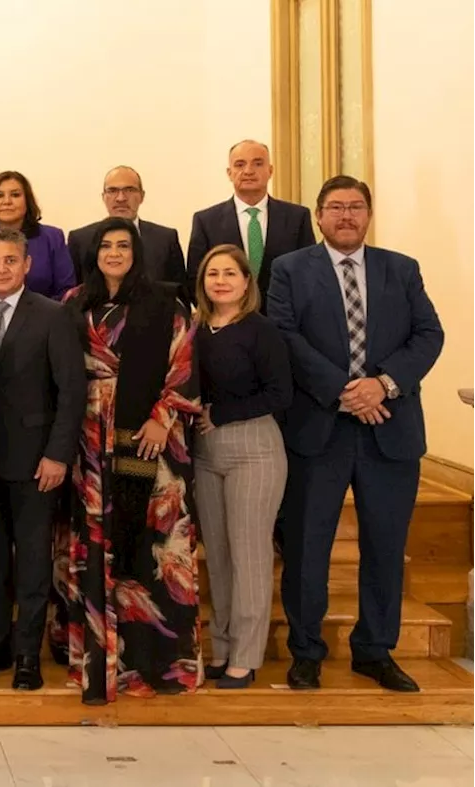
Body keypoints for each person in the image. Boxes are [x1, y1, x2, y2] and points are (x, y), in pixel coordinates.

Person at [269, 175, 443, 693]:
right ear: (318, 216)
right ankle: (306, 651)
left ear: (368, 215)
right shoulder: (290, 270)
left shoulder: (401, 268)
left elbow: (429, 334)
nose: (346, 216)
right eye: (336, 207)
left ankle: (375, 650)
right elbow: (284, 334)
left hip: (391, 431)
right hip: (319, 430)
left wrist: (382, 385)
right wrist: (347, 390)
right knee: (306, 547)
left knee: (385, 546)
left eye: (356, 207)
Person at [60, 216, 200, 705]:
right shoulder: (74, 303)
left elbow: (184, 362)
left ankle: (153, 661)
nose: (115, 252)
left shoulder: (166, 304)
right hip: (90, 442)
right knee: (97, 540)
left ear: (137, 253)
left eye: (124, 245)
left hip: (145, 441)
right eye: (106, 245)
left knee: (147, 540)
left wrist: (162, 417)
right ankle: (99, 662)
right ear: (93, 253)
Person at [0, 227, 87, 691]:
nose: (2, 269)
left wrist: (57, 454)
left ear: (27, 265)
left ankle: (28, 654)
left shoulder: (53, 316)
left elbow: (72, 392)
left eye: (11, 260)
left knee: (32, 563)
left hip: (35, 463)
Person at [192, 244, 292, 689]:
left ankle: (246, 657)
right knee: (218, 557)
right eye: (212, 273)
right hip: (205, 452)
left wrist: (222, 414)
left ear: (247, 282)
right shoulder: (194, 330)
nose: (220, 281)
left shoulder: (260, 330)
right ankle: (222, 649)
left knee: (250, 556)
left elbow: (280, 393)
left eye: (230, 273)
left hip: (254, 446)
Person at [186, 140, 316, 305]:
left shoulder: (297, 217)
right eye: (240, 165)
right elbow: (195, 279)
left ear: (270, 170)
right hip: (227, 322)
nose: (248, 171)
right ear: (229, 173)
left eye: (258, 163)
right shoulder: (206, 221)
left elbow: (307, 273)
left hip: (283, 321)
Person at [0, 170, 74, 300]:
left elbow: (66, 291)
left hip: (42, 317)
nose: (7, 201)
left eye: (15, 195)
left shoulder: (52, 237)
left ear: (27, 201)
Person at [66, 166, 186, 292]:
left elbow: (180, 293)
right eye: (112, 191)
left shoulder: (165, 239)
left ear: (142, 196)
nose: (121, 198)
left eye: (129, 190)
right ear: (103, 197)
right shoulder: (80, 240)